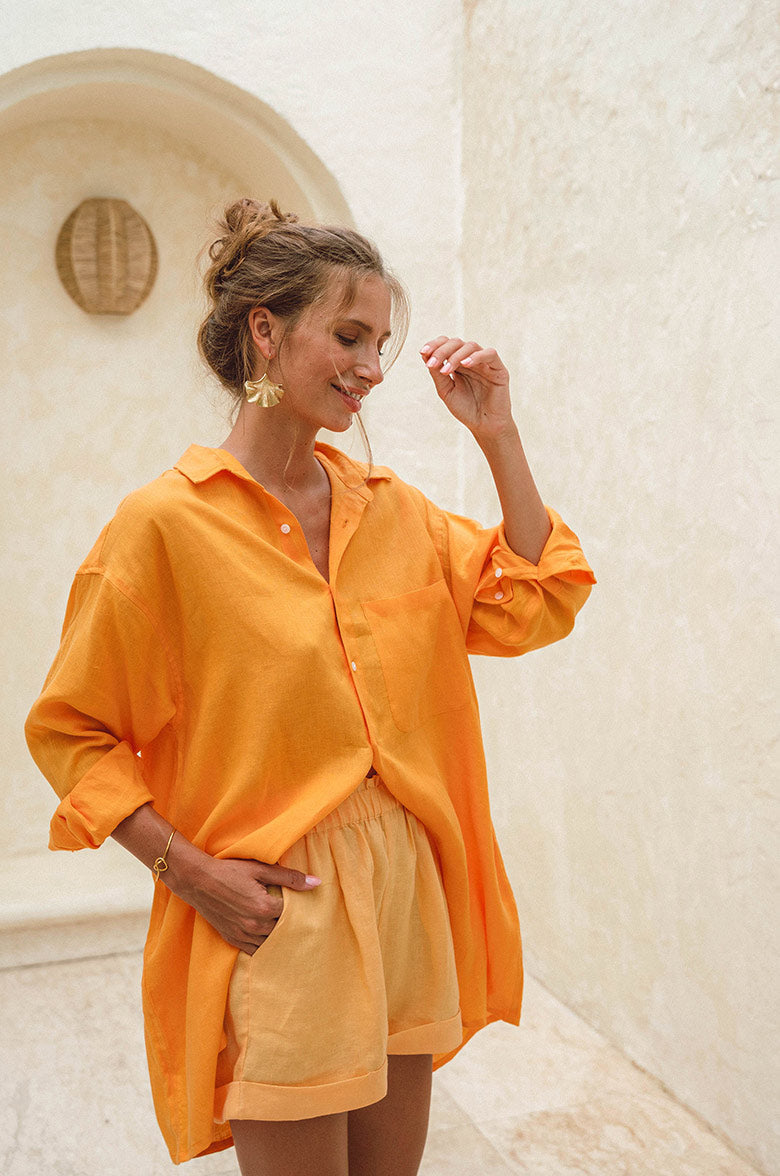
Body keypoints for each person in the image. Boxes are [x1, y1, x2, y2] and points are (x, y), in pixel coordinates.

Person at [25, 199, 596, 1176]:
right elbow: (72, 733)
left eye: (380, 343)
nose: (372, 367)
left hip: (404, 888)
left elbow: (536, 598)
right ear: (266, 331)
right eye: (349, 336)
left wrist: (498, 436)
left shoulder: (397, 513)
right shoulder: (163, 529)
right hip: (281, 907)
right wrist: (189, 872)